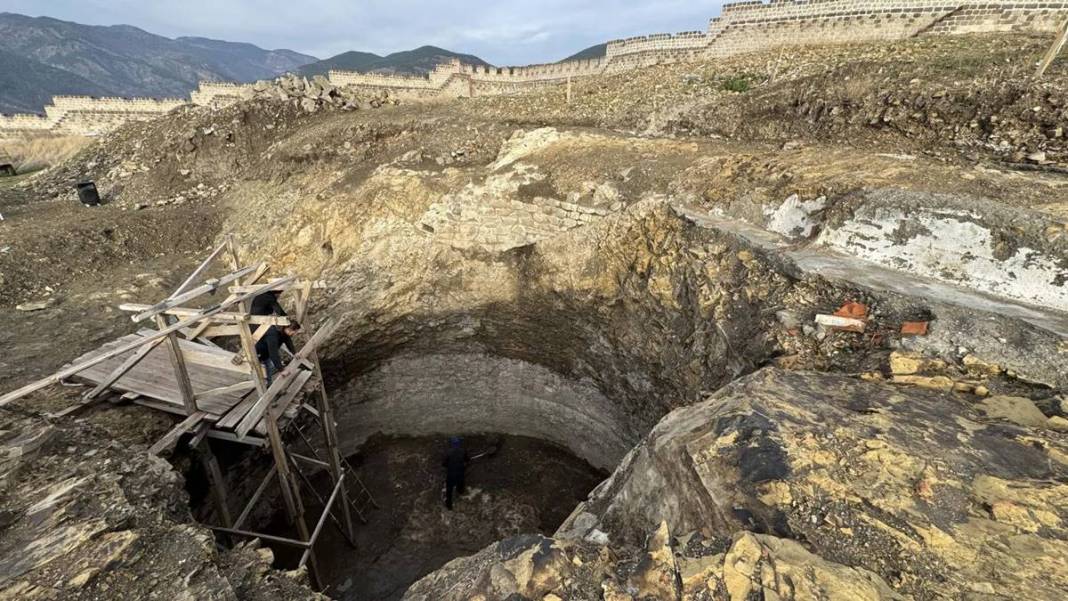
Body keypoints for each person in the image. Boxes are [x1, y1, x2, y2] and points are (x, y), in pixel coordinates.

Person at [255, 320, 301, 385]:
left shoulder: (283, 332)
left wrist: (294, 352)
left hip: (266, 354)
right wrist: (282, 370)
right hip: (258, 354)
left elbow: (288, 341)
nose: (295, 334)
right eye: (295, 331)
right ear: (289, 329)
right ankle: (266, 390)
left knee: (268, 370)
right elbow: (273, 353)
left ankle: (269, 386)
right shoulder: (273, 335)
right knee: (263, 373)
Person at [442, 437, 468, 510]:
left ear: (452, 444)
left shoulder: (448, 452)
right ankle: (460, 491)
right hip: (460, 473)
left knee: (449, 490)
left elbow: (444, 464)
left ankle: (449, 505)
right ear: (459, 444)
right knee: (460, 484)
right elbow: (467, 460)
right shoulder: (463, 451)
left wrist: (448, 465)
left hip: (451, 474)